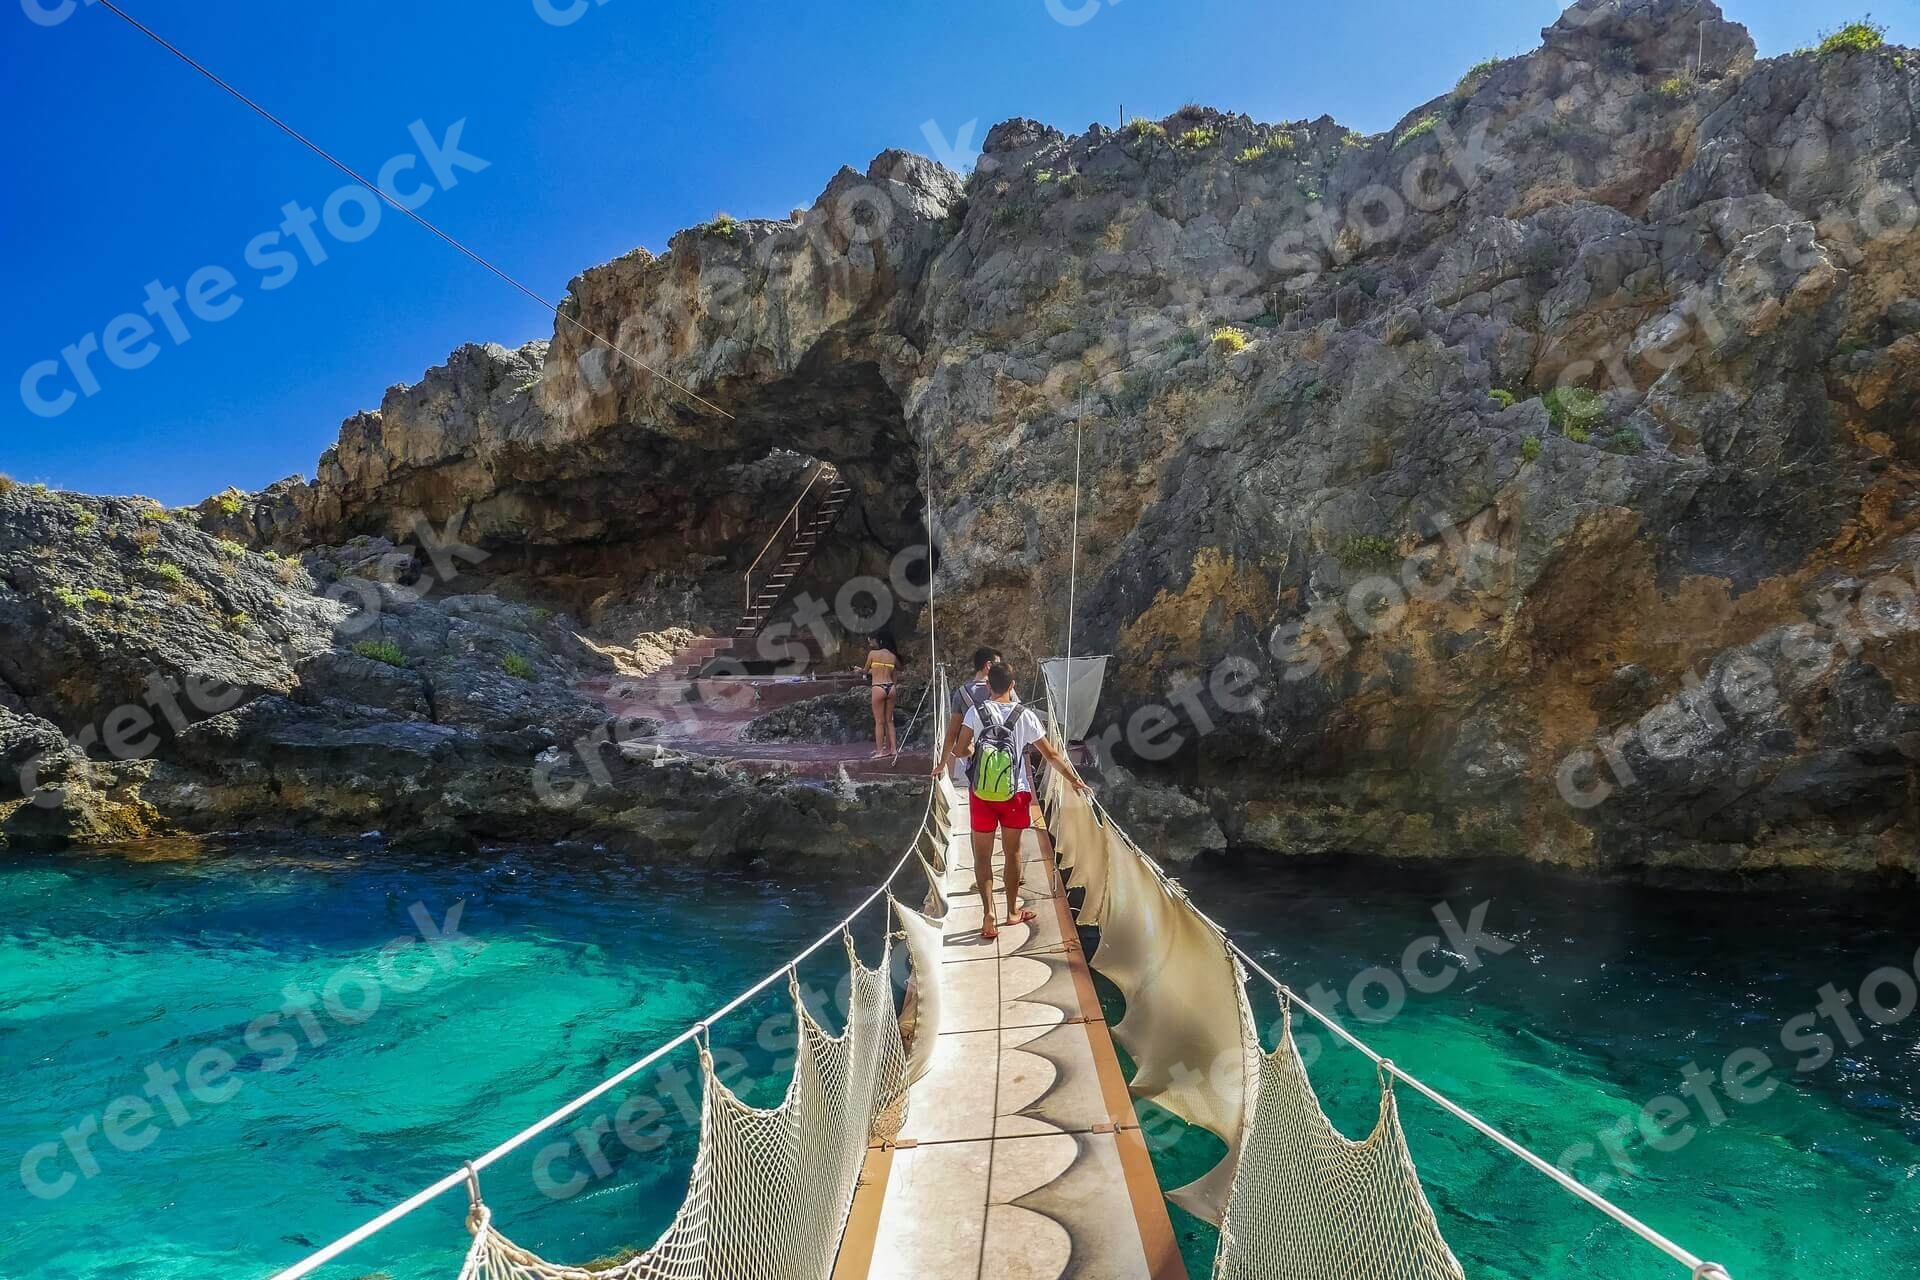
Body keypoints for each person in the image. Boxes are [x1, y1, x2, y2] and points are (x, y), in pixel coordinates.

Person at [936, 661, 1090, 940]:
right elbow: (1052, 755)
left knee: (982, 857)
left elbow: (961, 751)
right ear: (1012, 686)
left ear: (987, 687)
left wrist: (972, 749)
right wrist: (1074, 779)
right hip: (1016, 793)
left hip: (981, 794)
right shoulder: (1025, 715)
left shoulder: (975, 711)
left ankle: (988, 915)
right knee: (1012, 854)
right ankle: (1011, 912)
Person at [933, 646, 1002, 780]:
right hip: (1004, 758)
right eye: (998, 665)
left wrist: (942, 764)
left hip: (979, 762)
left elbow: (952, 733)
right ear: (988, 665)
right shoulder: (1005, 690)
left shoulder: (962, 693)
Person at [859, 629, 900, 758]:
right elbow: (895, 673)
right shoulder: (892, 656)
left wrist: (859, 670)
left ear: (877, 640)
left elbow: (865, 671)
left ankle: (879, 751)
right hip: (891, 688)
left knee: (879, 722)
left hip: (878, 687)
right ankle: (893, 750)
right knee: (889, 721)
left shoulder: (872, 654)